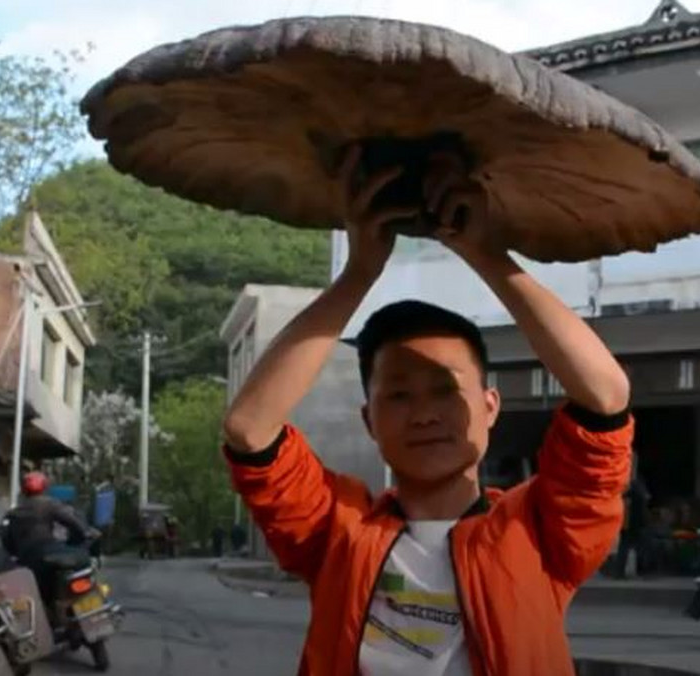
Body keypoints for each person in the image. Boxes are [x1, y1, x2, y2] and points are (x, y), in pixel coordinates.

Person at [222, 146, 634, 676]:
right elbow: (248, 429)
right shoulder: (335, 529)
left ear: (490, 408)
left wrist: (488, 254)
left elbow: (605, 397)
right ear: (369, 420)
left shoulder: (541, 529)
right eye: (398, 395)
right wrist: (358, 274)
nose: (423, 413)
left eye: (445, 391)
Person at [3, 471, 97, 613]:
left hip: (29, 560)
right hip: (50, 550)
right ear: (44, 487)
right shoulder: (48, 503)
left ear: (23, 490)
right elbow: (73, 523)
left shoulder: (14, 513)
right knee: (84, 562)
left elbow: (8, 544)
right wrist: (85, 532)